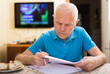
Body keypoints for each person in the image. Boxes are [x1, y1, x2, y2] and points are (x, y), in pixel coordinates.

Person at [15, 2, 107, 71]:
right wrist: (33, 59)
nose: (62, 29)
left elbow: (102, 57)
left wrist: (95, 61)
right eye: (58, 23)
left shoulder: (81, 33)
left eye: (67, 25)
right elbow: (18, 58)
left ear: (75, 23)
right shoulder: (45, 37)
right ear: (54, 18)